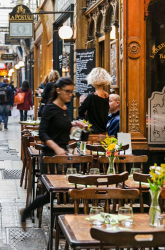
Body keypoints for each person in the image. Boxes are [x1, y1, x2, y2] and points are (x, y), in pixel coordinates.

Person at [20, 77, 86, 229]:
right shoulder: (49, 108)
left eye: (72, 92)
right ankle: (34, 214)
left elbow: (61, 128)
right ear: (58, 90)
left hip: (63, 157)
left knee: (65, 190)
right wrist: (56, 148)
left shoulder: (64, 109)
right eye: (67, 92)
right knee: (55, 192)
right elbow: (42, 132)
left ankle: (63, 225)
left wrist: (73, 125)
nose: (70, 95)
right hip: (50, 157)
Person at [78, 68, 112, 134]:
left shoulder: (91, 96)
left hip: (93, 132)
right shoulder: (107, 95)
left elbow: (80, 112)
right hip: (104, 131)